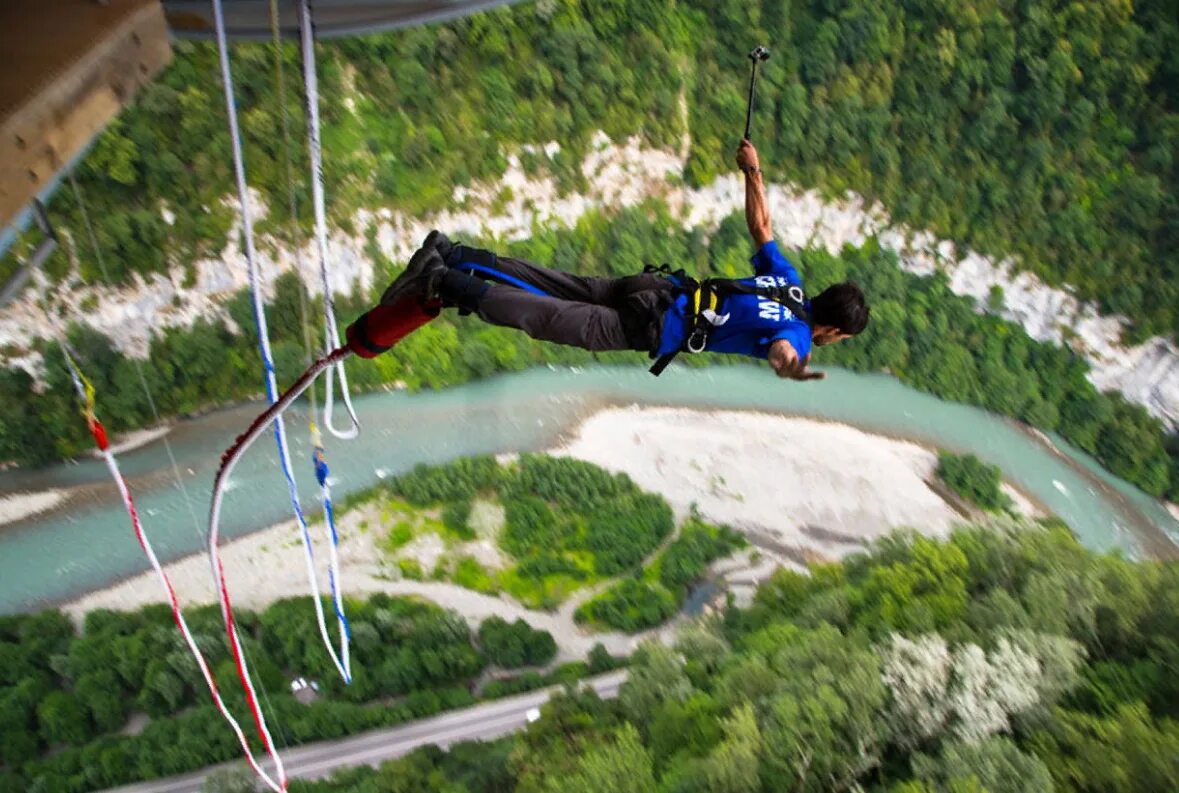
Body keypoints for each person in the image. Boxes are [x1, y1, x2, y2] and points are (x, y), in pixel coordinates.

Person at [376, 140, 869, 380]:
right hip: (650, 328)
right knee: (547, 316)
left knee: (554, 283)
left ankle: (453, 253)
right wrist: (790, 368)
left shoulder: (788, 283)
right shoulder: (800, 335)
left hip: (655, 288)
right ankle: (443, 282)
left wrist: (753, 170)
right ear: (835, 332)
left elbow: (762, 227)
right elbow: (784, 349)